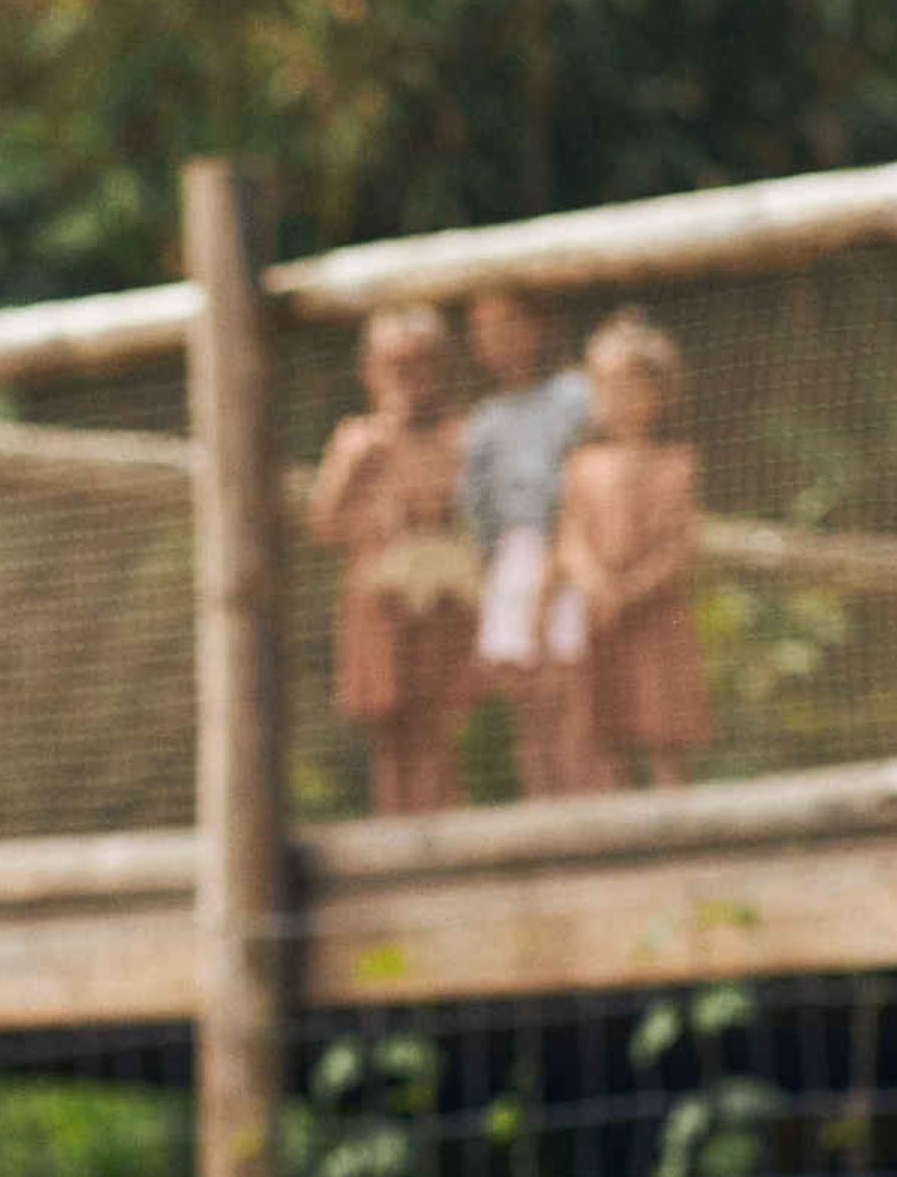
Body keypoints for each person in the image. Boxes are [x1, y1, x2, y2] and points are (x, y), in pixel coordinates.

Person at [306, 306, 477, 815]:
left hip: (439, 605)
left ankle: (444, 829)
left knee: (437, 725)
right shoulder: (356, 441)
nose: (407, 378)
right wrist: (356, 465)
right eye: (394, 365)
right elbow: (323, 526)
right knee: (387, 728)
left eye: (421, 364)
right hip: (377, 608)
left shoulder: (458, 437)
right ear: (370, 372)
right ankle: (396, 834)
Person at [552, 309, 715, 788]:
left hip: (655, 619)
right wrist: (594, 583)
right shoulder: (581, 465)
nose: (616, 401)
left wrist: (634, 589)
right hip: (601, 621)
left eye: (629, 388)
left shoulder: (676, 465)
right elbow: (570, 539)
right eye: (605, 388)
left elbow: (680, 544)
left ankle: (678, 821)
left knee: (665, 729)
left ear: (659, 394)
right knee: (606, 736)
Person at [458, 288, 596, 797]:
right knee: (527, 703)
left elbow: (584, 480)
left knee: (573, 697)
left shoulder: (576, 397)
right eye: (486, 331)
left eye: (510, 325)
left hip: (569, 553)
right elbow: (476, 510)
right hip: (509, 566)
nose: (500, 341)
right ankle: (544, 823)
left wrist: (559, 560)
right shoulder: (485, 420)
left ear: (540, 326)